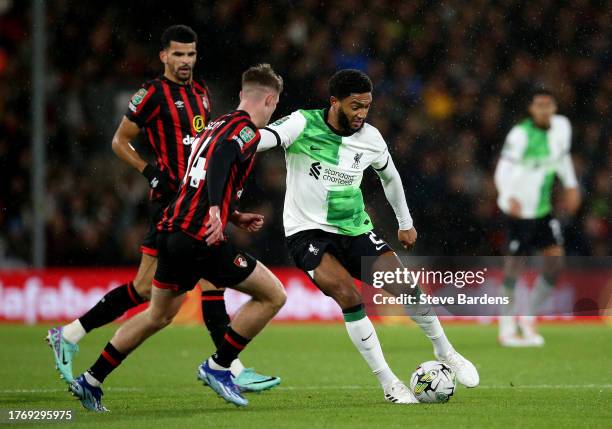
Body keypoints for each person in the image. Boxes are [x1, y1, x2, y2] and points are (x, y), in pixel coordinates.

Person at [46, 25, 279, 392]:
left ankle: (73, 337)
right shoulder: (151, 94)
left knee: (150, 295)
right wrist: (150, 172)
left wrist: (226, 211)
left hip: (194, 200)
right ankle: (227, 368)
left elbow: (207, 151)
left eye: (191, 54)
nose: (185, 61)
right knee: (200, 283)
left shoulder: (201, 93)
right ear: (164, 56)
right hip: (174, 205)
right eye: (178, 54)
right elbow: (119, 141)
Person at [257, 69, 479, 404]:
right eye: (355, 106)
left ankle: (446, 351)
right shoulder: (302, 123)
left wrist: (405, 222)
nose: (362, 113)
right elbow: (264, 140)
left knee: (406, 285)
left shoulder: (371, 138)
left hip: (355, 230)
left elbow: (390, 177)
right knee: (349, 295)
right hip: (307, 233)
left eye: (367, 106)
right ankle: (389, 382)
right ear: (335, 102)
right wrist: (237, 134)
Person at [495, 88, 581, 347]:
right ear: (531, 109)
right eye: (539, 105)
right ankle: (507, 326)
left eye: (548, 105)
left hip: (542, 209)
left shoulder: (562, 127)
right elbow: (503, 168)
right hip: (518, 210)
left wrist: (571, 185)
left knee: (555, 262)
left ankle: (528, 317)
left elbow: (562, 158)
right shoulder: (520, 134)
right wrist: (506, 196)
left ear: (554, 107)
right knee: (514, 267)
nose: (544, 110)